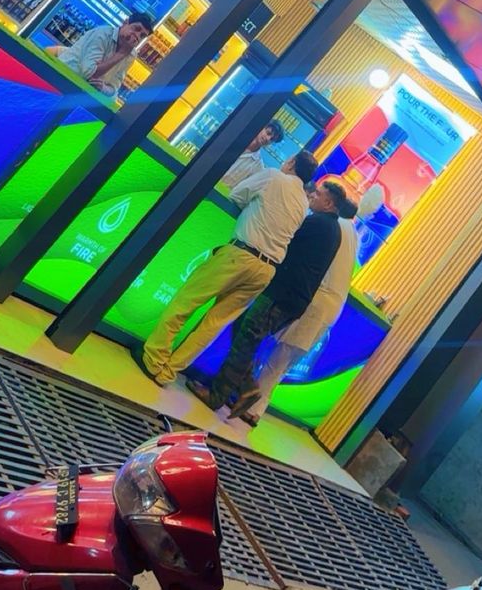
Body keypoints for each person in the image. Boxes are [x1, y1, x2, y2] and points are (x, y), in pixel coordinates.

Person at [139, 148, 318, 386]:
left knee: (187, 301)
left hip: (241, 254)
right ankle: (169, 372)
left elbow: (237, 194)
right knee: (214, 323)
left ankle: (154, 359)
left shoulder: (274, 176)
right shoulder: (303, 205)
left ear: (292, 162)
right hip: (266, 271)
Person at [189, 180, 357, 415]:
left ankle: (218, 395)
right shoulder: (333, 229)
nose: (312, 196)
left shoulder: (317, 223)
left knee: (247, 336)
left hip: (282, 295)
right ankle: (247, 387)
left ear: (329, 202)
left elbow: (288, 243)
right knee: (244, 331)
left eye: (318, 194)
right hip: (292, 299)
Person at [230, 198, 359, 426]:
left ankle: (252, 406)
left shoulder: (333, 227)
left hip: (316, 303)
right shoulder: (353, 235)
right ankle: (252, 403)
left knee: (276, 357)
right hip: (329, 308)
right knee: (282, 361)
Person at [46, 9, 153, 94]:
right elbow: (89, 73)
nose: (137, 36)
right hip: (59, 79)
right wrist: (121, 54)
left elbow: (114, 88)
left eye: (142, 36)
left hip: (82, 95)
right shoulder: (103, 34)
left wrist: (103, 87)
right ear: (125, 23)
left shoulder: (131, 55)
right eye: (136, 29)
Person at [221, 120, 284, 191]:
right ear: (262, 127)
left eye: (272, 139)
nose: (267, 139)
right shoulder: (234, 138)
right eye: (268, 133)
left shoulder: (258, 167)